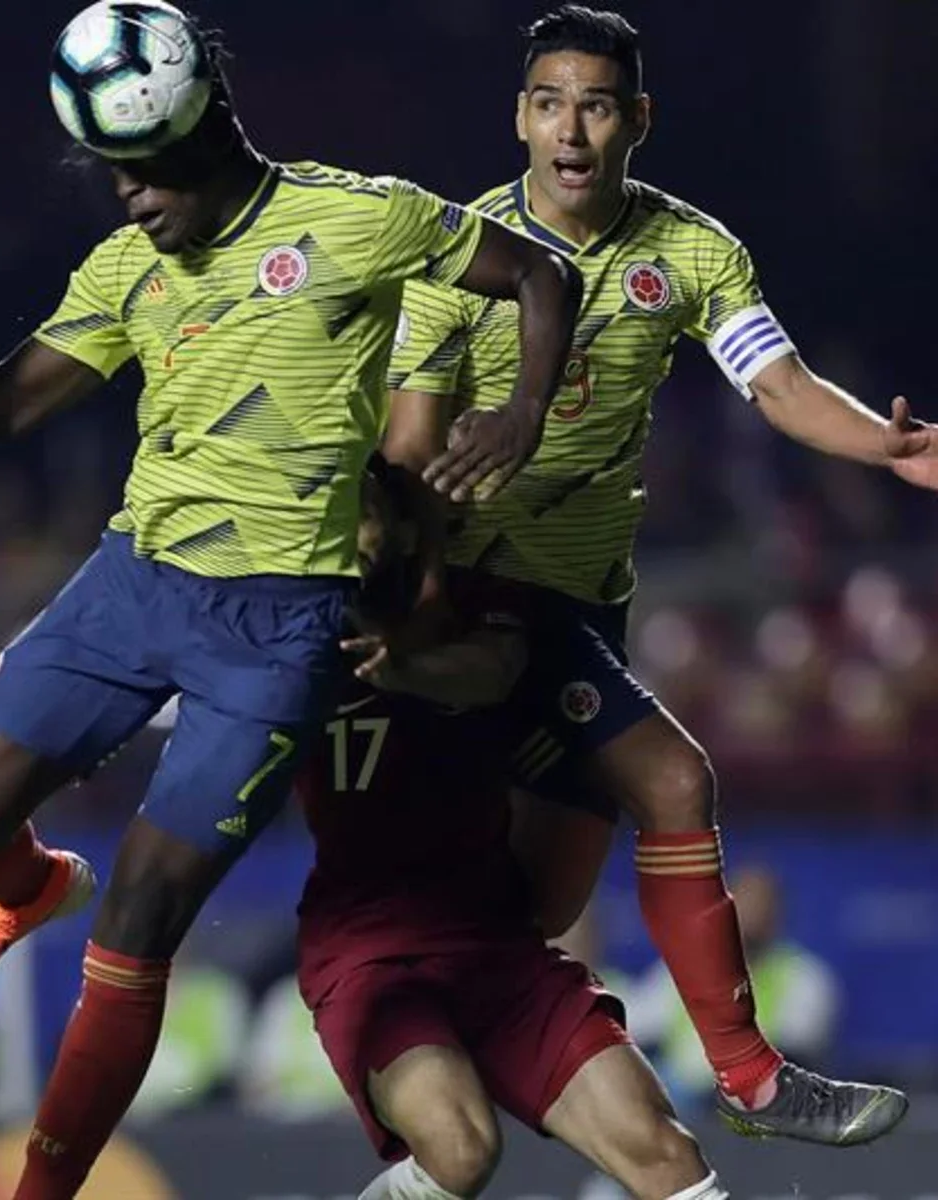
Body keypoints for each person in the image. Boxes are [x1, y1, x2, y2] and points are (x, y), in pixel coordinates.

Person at [0, 5, 584, 1193]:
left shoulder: (355, 218)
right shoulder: (127, 267)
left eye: (142, 170)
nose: (126, 196)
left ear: (205, 128)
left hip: (279, 630)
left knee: (141, 918)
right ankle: (33, 885)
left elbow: (542, 274)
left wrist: (520, 413)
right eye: (109, 171)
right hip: (131, 585)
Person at [387, 3, 918, 1142]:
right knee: (672, 785)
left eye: (594, 106)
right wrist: (418, 590)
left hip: (587, 605)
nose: (570, 131)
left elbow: (778, 386)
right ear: (519, 119)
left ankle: (441, 1122)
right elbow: (406, 446)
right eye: (548, 104)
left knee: (537, 909)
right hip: (472, 593)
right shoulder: (456, 254)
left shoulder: (689, 252)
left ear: (638, 119)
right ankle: (749, 1078)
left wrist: (887, 445)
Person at [301, 479, 729, 1200]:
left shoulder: (495, 606)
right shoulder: (294, 628)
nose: (353, 541)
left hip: (496, 947)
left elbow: (493, 671)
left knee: (665, 1152)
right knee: (460, 1149)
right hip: (369, 954)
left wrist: (401, 669)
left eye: (367, 520)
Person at [633, 865, 840, 1112]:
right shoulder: (679, 969)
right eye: (742, 903)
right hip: (680, 1105)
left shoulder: (803, 976)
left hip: (755, 1109)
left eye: (760, 905)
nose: (750, 915)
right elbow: (631, 1026)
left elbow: (796, 1048)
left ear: (778, 915)